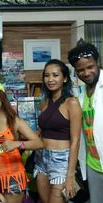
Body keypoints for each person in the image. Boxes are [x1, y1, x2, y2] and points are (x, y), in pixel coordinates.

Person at [33, 59, 82, 203]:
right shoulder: (43, 103)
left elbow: (76, 141)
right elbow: (39, 132)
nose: (50, 79)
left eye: (55, 75)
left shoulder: (71, 103)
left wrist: (70, 176)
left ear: (65, 78)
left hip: (61, 161)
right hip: (41, 158)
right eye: (47, 75)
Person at [68, 39, 103, 203]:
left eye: (90, 67)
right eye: (80, 70)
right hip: (92, 164)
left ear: (98, 62)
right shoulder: (80, 97)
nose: (86, 73)